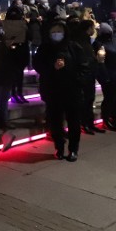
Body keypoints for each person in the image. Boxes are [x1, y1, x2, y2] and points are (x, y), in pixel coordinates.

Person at [33, 21, 87, 162]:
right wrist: (52, 68)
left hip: (72, 91)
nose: (57, 34)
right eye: (53, 31)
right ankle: (59, 147)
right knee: (55, 122)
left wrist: (76, 79)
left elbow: (84, 67)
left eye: (59, 31)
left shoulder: (74, 47)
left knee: (74, 121)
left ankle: (73, 149)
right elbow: (39, 66)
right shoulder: (44, 49)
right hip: (53, 91)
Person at [69, 19, 104, 135]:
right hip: (84, 75)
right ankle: (85, 124)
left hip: (89, 73)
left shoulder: (87, 40)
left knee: (90, 100)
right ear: (88, 28)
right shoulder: (79, 40)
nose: (94, 30)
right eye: (92, 28)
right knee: (85, 101)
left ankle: (89, 123)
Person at [3, 5, 29, 104]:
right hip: (14, 53)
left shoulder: (22, 24)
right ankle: (15, 94)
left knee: (19, 75)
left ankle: (18, 93)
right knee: (15, 75)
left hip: (21, 52)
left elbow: (29, 36)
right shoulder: (8, 25)